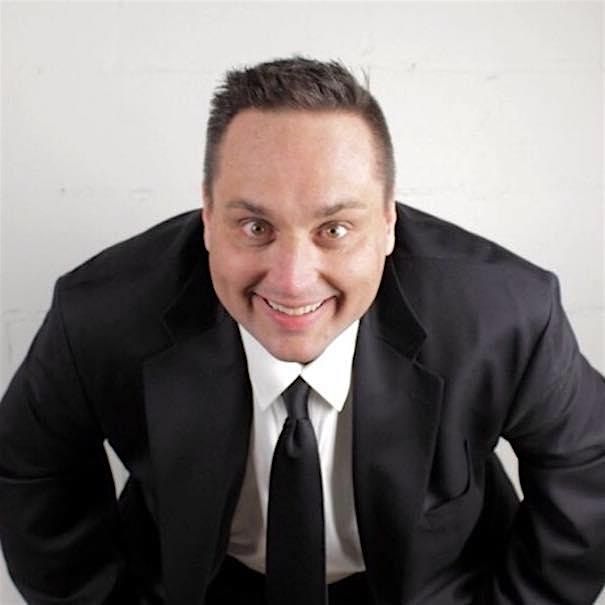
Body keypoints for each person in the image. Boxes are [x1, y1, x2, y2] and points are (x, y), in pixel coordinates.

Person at [0, 56, 604, 605]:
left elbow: (588, 471)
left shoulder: (506, 315)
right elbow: (30, 471)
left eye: (334, 230)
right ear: (207, 216)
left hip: (434, 588)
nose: (292, 281)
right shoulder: (99, 315)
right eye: (254, 227)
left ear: (388, 222)